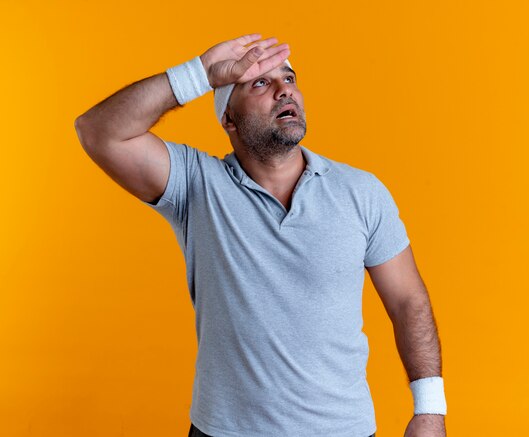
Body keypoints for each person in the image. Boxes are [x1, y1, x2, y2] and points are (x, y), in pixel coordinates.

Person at [74, 33, 447, 437]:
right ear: (228, 119)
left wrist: (430, 410)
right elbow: (98, 131)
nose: (284, 90)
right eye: (259, 83)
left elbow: (408, 301)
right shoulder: (197, 185)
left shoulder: (361, 192)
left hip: (343, 430)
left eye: (289, 79)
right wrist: (199, 74)